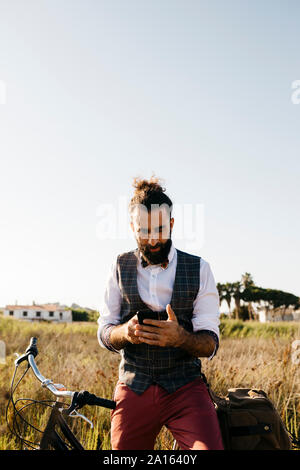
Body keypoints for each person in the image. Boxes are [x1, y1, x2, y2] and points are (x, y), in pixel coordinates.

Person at [97, 176, 224, 450]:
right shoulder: (119, 266)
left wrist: (181, 338)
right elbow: (104, 331)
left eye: (160, 229)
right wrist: (124, 332)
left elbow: (210, 343)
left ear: (172, 224)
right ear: (132, 227)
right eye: (144, 230)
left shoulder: (200, 269)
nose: (153, 239)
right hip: (134, 385)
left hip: (186, 387)